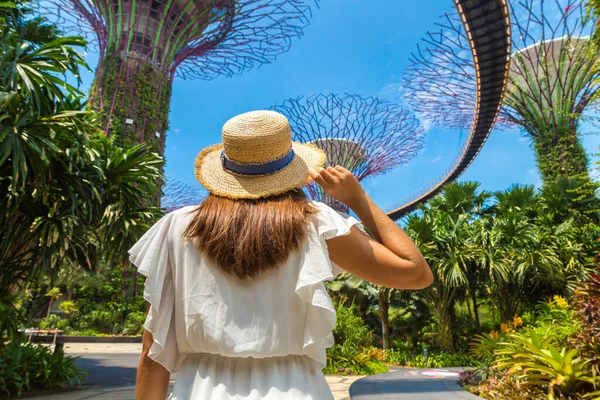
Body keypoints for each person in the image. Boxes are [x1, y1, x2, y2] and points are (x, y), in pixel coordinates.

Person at [132, 110, 433, 400]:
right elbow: (415, 272)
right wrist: (358, 199)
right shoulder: (315, 223)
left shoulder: (178, 227)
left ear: (224, 167)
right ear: (293, 169)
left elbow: (153, 351)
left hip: (200, 389)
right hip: (297, 389)